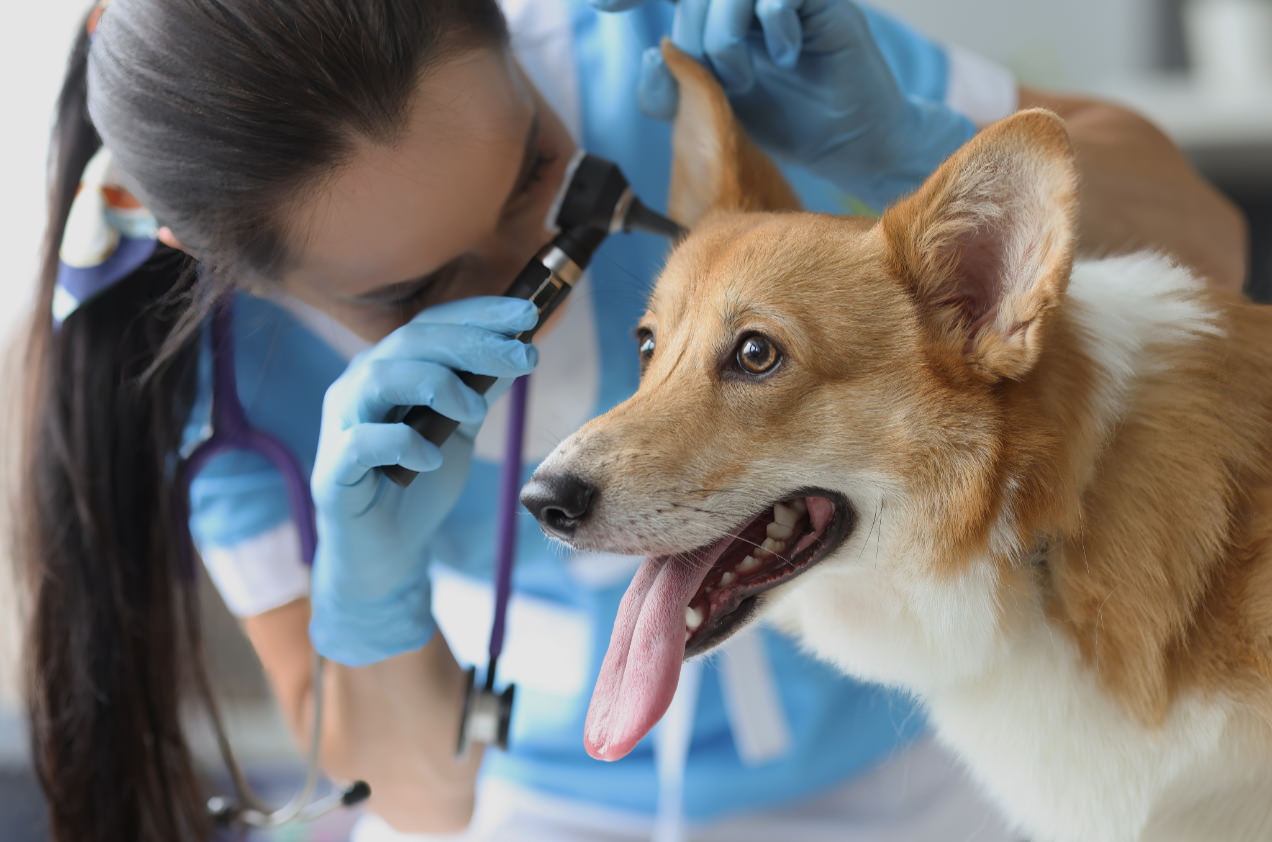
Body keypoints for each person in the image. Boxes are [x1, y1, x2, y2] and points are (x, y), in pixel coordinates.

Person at [16, 1, 1246, 841]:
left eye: (533, 173)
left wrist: (911, 137)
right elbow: (407, 792)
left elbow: (1211, 245)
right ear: (234, 272)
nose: (531, 270)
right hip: (546, 805)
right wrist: (368, 593)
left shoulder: (677, 59)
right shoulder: (202, 376)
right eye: (411, 289)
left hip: (926, 768)